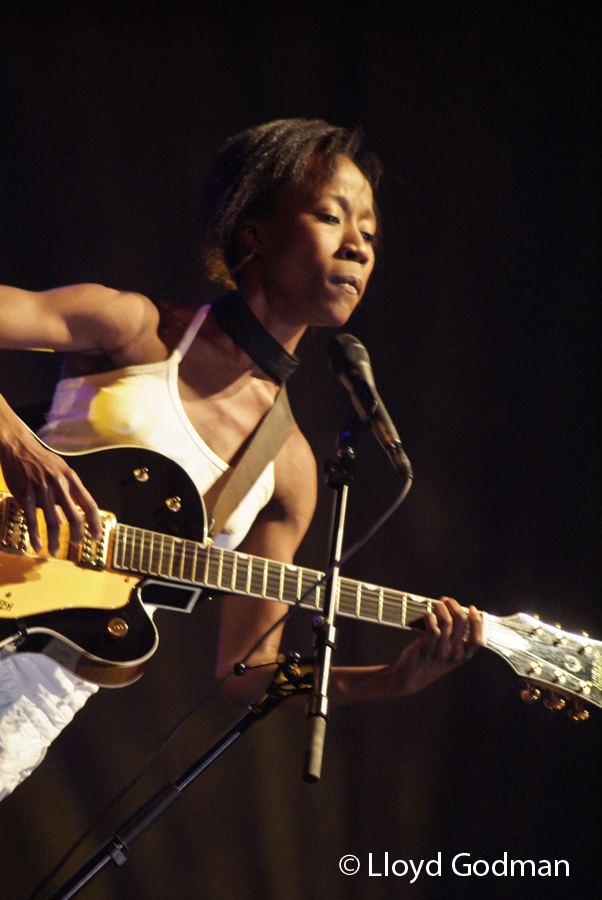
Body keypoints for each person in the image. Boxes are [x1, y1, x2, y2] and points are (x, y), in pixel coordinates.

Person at [0, 118, 482, 800]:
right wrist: (16, 443)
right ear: (255, 231)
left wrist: (392, 680)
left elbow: (244, 673)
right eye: (331, 216)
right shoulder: (132, 328)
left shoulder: (289, 471)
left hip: (28, 703)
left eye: (370, 233)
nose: (359, 245)